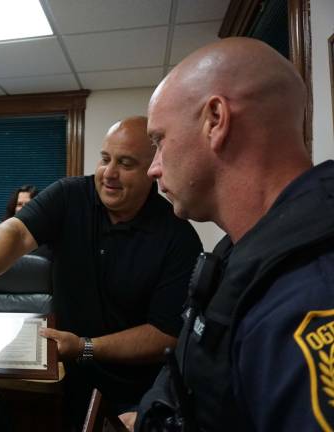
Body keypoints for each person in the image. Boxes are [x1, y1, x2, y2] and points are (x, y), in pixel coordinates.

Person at [130, 37, 334, 431]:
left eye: (159, 141)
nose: (154, 168)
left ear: (215, 120)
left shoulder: (312, 291)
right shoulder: (239, 250)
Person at [0, 116, 202, 430]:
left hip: (136, 396)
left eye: (125, 164)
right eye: (105, 159)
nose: (109, 174)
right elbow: (17, 233)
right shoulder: (70, 195)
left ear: (153, 169)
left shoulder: (178, 237)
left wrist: (86, 346)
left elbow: (165, 333)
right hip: (69, 383)